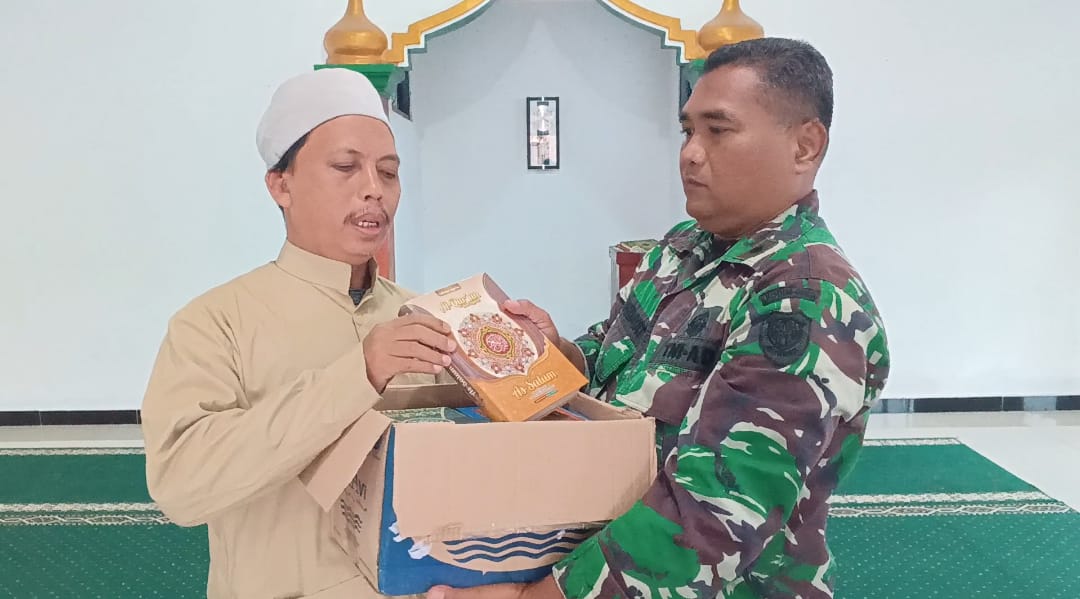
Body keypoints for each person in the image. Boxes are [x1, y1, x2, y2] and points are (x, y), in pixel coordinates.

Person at [428, 37, 891, 599]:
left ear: (804, 145)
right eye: (687, 130)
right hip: (589, 550)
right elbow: (613, 362)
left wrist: (534, 597)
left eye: (718, 130)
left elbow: (714, 515)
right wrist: (555, 352)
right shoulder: (680, 251)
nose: (690, 153)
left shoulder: (804, 298)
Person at [140, 68, 456, 599]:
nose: (374, 190)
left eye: (388, 172)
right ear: (280, 185)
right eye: (345, 167)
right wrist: (359, 374)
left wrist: (547, 355)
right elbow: (181, 486)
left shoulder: (420, 317)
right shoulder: (215, 322)